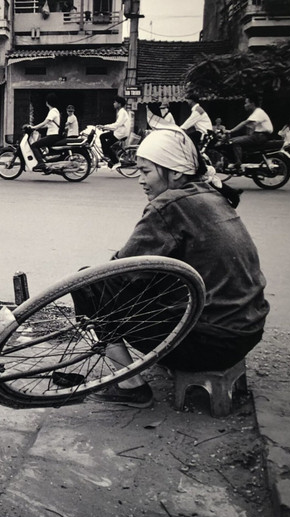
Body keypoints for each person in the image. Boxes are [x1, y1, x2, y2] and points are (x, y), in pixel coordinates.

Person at [85, 129, 269, 407]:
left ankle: (129, 385)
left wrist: (102, 282)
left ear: (175, 173)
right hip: (246, 332)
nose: (140, 180)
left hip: (210, 344)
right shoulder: (211, 193)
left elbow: (123, 271)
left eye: (146, 171)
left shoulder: (169, 204)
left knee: (89, 283)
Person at [226, 95, 273, 172]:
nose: (245, 105)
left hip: (260, 136)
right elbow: (250, 127)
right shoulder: (256, 113)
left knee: (234, 142)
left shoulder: (258, 112)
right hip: (258, 135)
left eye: (246, 103)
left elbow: (244, 123)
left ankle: (238, 164)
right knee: (236, 140)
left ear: (252, 103)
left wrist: (231, 131)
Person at [26, 93, 62, 171]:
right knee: (40, 144)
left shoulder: (52, 111)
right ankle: (43, 161)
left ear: (47, 102)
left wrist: (33, 127)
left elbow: (44, 122)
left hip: (52, 136)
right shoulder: (55, 111)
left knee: (34, 145)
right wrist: (36, 129)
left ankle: (41, 163)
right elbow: (48, 125)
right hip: (54, 135)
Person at [99, 95, 131, 168]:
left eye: (115, 102)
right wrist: (105, 127)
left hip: (121, 133)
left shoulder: (122, 112)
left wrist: (104, 126)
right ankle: (108, 155)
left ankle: (116, 161)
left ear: (119, 104)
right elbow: (117, 126)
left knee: (107, 145)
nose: (113, 104)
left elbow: (117, 124)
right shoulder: (121, 112)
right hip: (118, 132)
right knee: (102, 136)